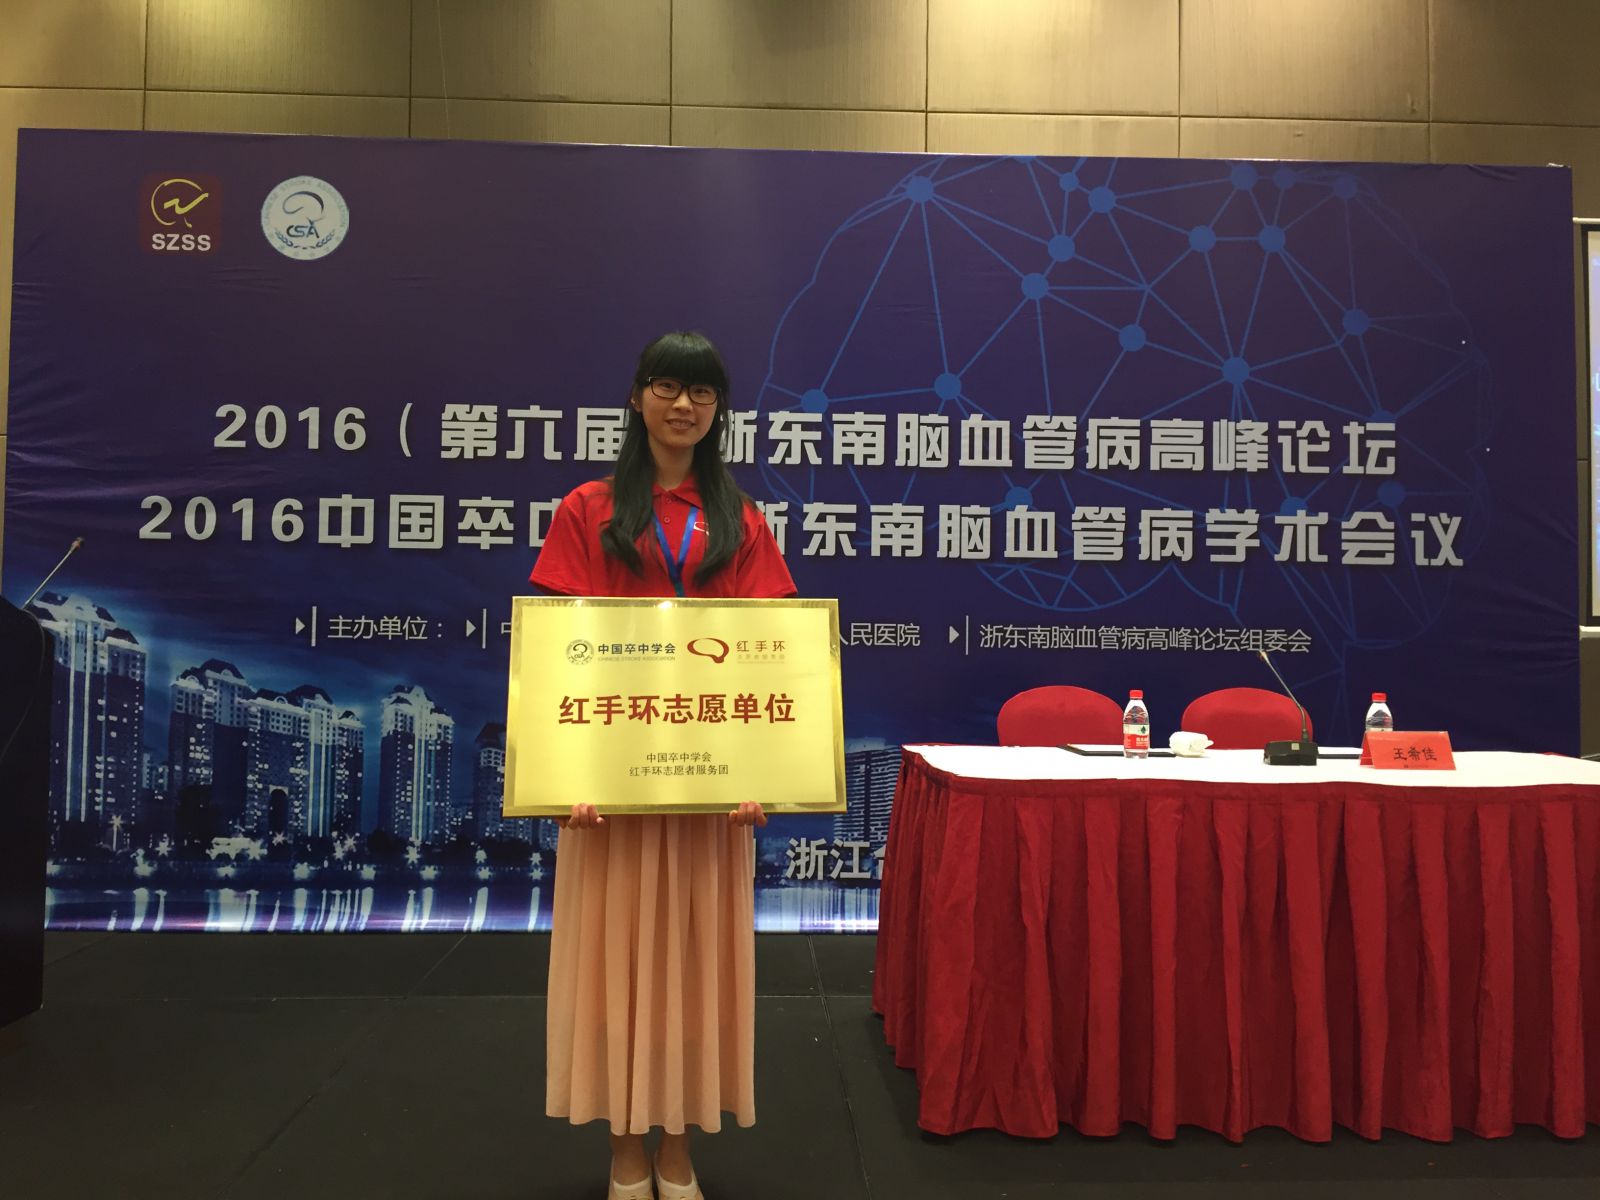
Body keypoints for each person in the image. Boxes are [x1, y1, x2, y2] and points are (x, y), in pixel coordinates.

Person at [529, 331, 797, 1200]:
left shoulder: (741, 519)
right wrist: (564, 775)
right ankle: (622, 1147)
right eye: (669, 387)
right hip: (610, 785)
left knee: (693, 972)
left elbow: (771, 653)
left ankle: (677, 1145)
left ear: (719, 411)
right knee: (613, 973)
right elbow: (557, 649)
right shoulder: (588, 508)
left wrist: (761, 775)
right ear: (638, 395)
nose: (684, 405)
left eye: (703, 393)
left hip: (709, 785)